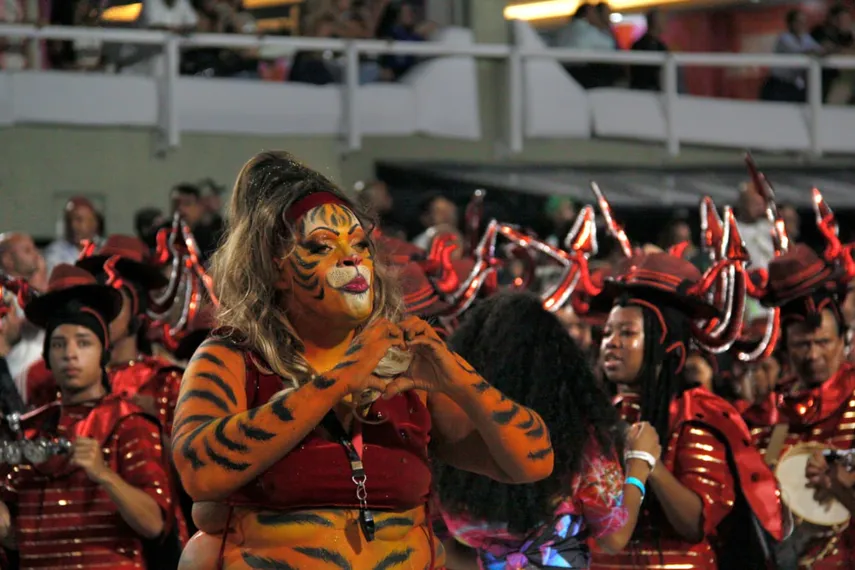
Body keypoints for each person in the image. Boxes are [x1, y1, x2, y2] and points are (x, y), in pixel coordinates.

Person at [170, 151, 554, 569]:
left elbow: (533, 462)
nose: (351, 258)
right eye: (321, 246)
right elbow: (199, 471)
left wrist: (457, 378)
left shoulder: (404, 367)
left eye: (359, 244)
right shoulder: (234, 357)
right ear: (274, 269)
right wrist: (338, 381)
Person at [586, 252, 785, 570]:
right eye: (608, 333)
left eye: (627, 334)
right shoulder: (597, 416)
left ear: (665, 345)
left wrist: (651, 465)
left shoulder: (695, 415)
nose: (611, 343)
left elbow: (696, 523)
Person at [437, 292, 657, 569]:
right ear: (556, 362)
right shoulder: (577, 441)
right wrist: (639, 464)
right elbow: (613, 536)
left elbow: (445, 543)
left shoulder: (451, 440)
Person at [0, 264, 176, 569]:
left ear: (102, 354)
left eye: (83, 342)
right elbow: (13, 533)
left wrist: (104, 474)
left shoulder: (130, 423)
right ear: (47, 359)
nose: (70, 354)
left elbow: (154, 524)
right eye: (58, 345)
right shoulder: (30, 430)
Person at [746, 243, 855, 569]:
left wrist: (840, 483)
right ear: (786, 348)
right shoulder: (774, 416)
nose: (812, 355)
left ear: (843, 341)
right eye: (802, 345)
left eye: (822, 342)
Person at [762, 10, 823, 103]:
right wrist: (815, 51)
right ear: (790, 23)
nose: (801, 25)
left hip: (795, 86)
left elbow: (818, 50)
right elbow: (799, 52)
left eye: (803, 22)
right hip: (779, 86)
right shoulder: (784, 38)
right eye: (798, 22)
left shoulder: (806, 38)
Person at [44, 197, 102, 275]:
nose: (73, 225)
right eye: (69, 220)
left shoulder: (107, 248)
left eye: (79, 219)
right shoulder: (55, 252)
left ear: (94, 223)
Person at [630, 9, 668, 91]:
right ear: (655, 22)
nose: (666, 23)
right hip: (645, 93)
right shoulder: (641, 45)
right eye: (663, 20)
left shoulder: (661, 46)